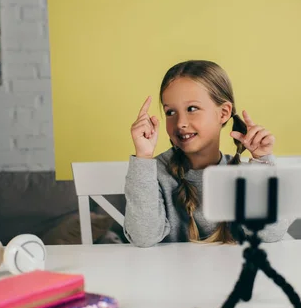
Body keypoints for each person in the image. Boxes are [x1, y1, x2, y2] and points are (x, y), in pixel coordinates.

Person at [123, 60, 290, 247]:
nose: (180, 123)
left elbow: (271, 233)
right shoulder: (154, 173)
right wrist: (143, 158)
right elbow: (143, 237)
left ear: (224, 112)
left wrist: (262, 161)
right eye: (170, 112)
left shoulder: (244, 175)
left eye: (192, 109)